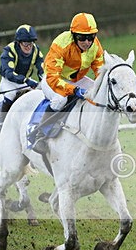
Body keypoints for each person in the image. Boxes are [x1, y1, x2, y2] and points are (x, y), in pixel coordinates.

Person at [29, 12, 105, 153]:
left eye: (91, 37)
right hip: (53, 79)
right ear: (74, 35)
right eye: (82, 37)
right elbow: (53, 77)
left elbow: (100, 71)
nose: (87, 42)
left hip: (76, 80)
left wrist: (100, 86)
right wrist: (74, 90)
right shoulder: (61, 44)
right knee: (61, 99)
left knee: (99, 94)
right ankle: (40, 135)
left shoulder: (95, 45)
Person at [0, 24, 44, 133]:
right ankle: (1, 121)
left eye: (31, 43)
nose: (29, 46)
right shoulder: (9, 51)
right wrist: (26, 80)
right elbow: (9, 73)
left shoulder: (36, 50)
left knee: (41, 93)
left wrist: (43, 79)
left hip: (25, 80)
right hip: (9, 81)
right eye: (25, 43)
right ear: (19, 42)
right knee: (10, 95)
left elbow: (41, 67)